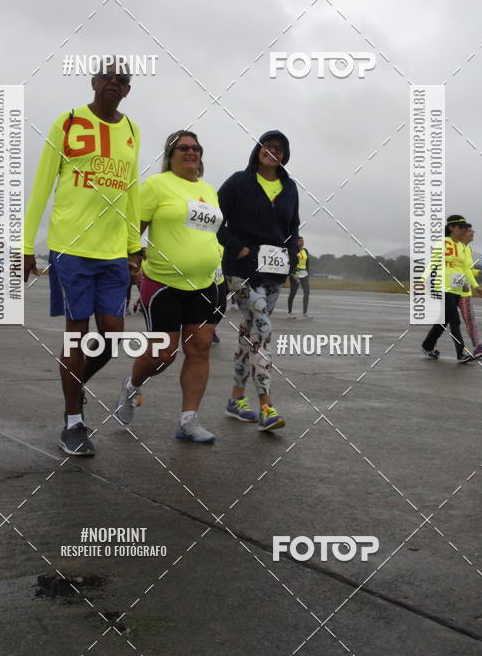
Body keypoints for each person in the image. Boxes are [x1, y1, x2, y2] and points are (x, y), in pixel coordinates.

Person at [23, 61, 142, 457]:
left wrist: (133, 246)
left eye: (122, 80)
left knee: (111, 336)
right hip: (71, 249)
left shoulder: (131, 130)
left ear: (127, 91)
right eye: (107, 77)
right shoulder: (68, 121)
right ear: (93, 83)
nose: (113, 83)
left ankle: (74, 388)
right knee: (77, 331)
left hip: (112, 254)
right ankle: (72, 421)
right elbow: (41, 186)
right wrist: (25, 246)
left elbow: (131, 191)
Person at [114, 130, 221, 443]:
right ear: (170, 155)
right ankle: (131, 387)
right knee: (163, 353)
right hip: (163, 282)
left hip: (206, 283)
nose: (191, 152)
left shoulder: (209, 191)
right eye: (183, 148)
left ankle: (188, 421)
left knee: (199, 349)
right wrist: (129, 261)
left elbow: (209, 235)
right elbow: (135, 229)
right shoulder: (156, 186)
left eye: (196, 148)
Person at [218, 131, 300, 431]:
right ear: (257, 150)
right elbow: (217, 220)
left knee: (248, 334)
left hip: (274, 273)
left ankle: (236, 400)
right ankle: (266, 405)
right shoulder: (239, 181)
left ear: (285, 155)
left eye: (279, 148)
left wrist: (290, 257)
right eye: (267, 146)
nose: (272, 151)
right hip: (241, 272)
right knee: (263, 328)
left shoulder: (289, 188)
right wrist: (237, 246)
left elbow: (292, 227)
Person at [421, 215, 481, 363]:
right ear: (451, 228)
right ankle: (461, 353)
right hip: (442, 287)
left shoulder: (462, 247)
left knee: (444, 320)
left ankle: (427, 345)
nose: (464, 230)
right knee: (455, 320)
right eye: (461, 227)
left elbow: (465, 269)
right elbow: (432, 263)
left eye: (465, 228)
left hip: (456, 289)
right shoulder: (443, 243)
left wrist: (475, 286)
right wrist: (422, 280)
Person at [458, 225, 482, 359]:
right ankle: (429, 345)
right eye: (469, 231)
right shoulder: (456, 249)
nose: (473, 233)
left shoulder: (468, 249)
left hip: (464, 291)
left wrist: (481, 273)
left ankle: (477, 347)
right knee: (445, 322)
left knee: (469, 320)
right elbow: (455, 269)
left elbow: (468, 270)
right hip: (455, 289)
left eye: (473, 230)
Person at [287, 236, 311, 319]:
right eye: (300, 241)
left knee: (307, 293)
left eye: (302, 241)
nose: (302, 242)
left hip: (304, 274)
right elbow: (290, 262)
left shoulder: (305, 251)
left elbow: (307, 263)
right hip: (295, 274)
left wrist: (308, 272)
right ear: (296, 242)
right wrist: (292, 273)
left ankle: (305, 312)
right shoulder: (293, 251)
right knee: (293, 293)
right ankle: (290, 312)